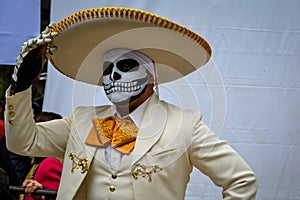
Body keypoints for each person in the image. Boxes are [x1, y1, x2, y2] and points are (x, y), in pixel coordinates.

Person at [5, 7, 258, 199]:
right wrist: (21, 87)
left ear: (151, 76)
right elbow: (23, 141)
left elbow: (241, 181)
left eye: (127, 66)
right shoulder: (84, 121)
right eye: (108, 69)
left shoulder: (184, 125)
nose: (113, 76)